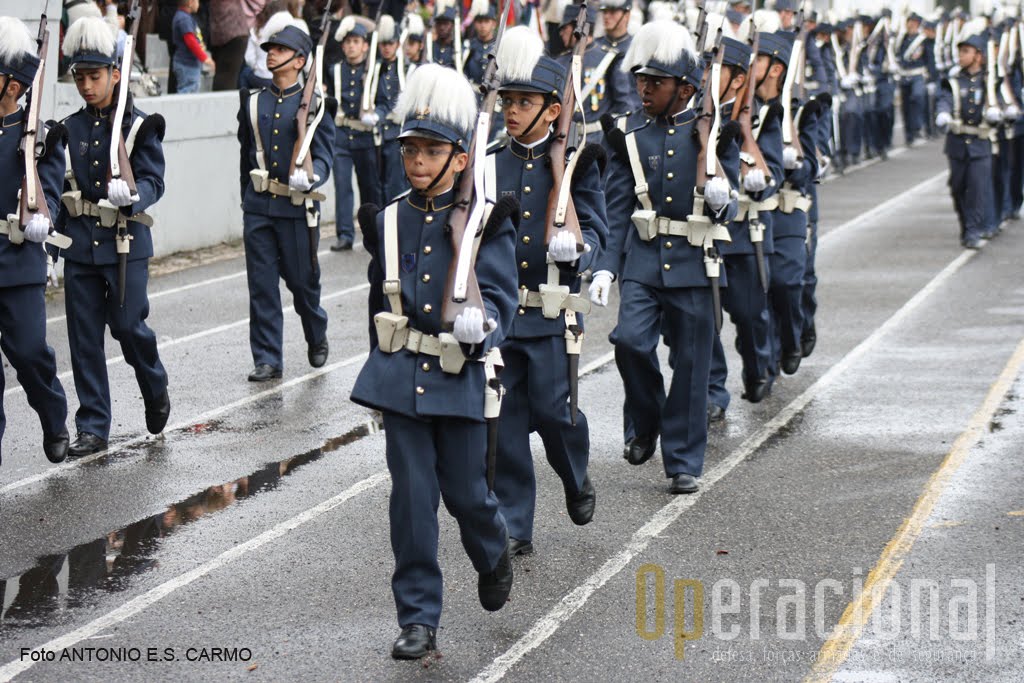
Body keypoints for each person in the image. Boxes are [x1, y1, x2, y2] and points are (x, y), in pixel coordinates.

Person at [350, 63, 517, 660]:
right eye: (410, 149)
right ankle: (418, 617)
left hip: (460, 374)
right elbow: (380, 300)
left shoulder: (485, 222)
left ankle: (493, 549)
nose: (417, 161)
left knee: (467, 494)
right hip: (402, 379)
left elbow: (502, 298)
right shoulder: (389, 218)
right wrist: (378, 377)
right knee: (412, 499)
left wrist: (483, 324)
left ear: (461, 157)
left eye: (432, 150)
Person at [589, 20, 738, 495]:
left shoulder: (714, 133)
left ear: (686, 89)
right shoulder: (627, 134)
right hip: (644, 261)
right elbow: (616, 208)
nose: (644, 89)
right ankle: (646, 417)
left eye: (656, 82)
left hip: (696, 262)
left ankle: (683, 461)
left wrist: (721, 199)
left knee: (692, 369)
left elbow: (730, 204)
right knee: (630, 342)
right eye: (641, 80)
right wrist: (605, 266)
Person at [487, 27, 606, 556]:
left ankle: (575, 476)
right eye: (507, 101)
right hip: (504, 315)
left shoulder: (577, 161)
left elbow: (597, 229)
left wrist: (580, 252)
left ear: (553, 110)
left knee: (557, 414)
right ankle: (515, 523)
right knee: (505, 420)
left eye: (524, 102)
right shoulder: (490, 161)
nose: (511, 111)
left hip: (554, 313)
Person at [57, 17, 171, 456]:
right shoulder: (68, 129)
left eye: (95, 76)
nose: (86, 86)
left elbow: (155, 181)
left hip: (125, 242)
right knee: (84, 338)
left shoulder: (140, 126)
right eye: (80, 78)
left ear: (115, 74)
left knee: (127, 326)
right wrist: (51, 246)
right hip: (80, 245)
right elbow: (58, 190)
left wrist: (135, 195)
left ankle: (153, 384)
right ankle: (92, 425)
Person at [237, 24, 334, 381]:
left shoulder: (316, 105)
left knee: (302, 283)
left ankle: (315, 330)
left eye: (280, 49)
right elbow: (246, 154)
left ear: (300, 61)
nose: (271, 54)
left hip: (296, 208)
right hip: (259, 206)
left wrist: (312, 177)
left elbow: (324, 155)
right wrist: (247, 198)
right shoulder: (253, 101)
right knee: (261, 284)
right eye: (269, 49)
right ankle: (267, 358)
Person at [0, 17, 70, 465]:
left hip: (19, 259)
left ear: (12, 86)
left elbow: (51, 195)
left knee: (28, 353)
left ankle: (52, 414)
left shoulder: (41, 138)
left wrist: (42, 218)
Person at [707, 34, 782, 422]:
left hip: (745, 231)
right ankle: (713, 391)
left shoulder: (762, 116)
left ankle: (758, 368)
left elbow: (776, 168)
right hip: (706, 234)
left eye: (719, 70)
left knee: (750, 314)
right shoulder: (699, 116)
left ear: (738, 79)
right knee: (706, 320)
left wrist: (759, 179)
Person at [935, 20, 1000, 249]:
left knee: (977, 189)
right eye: (960, 51)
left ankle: (973, 231)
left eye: (966, 51)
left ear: (978, 56)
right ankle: (966, 226)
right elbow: (944, 100)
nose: (961, 56)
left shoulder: (990, 82)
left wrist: (997, 111)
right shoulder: (953, 82)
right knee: (958, 188)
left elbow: (1000, 101)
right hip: (957, 144)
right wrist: (942, 114)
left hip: (981, 144)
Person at [328, 16, 385, 251]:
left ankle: (374, 231)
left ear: (365, 46)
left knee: (369, 187)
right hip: (341, 135)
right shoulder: (334, 70)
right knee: (342, 186)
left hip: (365, 137)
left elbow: (385, 101)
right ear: (343, 46)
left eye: (356, 41)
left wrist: (377, 115)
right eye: (348, 42)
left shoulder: (375, 70)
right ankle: (345, 234)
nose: (351, 46)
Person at [171, 0, 215, 93]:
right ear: (190, 3)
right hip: (187, 64)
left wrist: (201, 45)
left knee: (193, 89)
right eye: (197, 1)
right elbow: (190, 41)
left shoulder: (186, 17)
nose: (198, 4)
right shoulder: (184, 19)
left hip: (191, 64)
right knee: (188, 90)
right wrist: (204, 58)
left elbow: (194, 38)